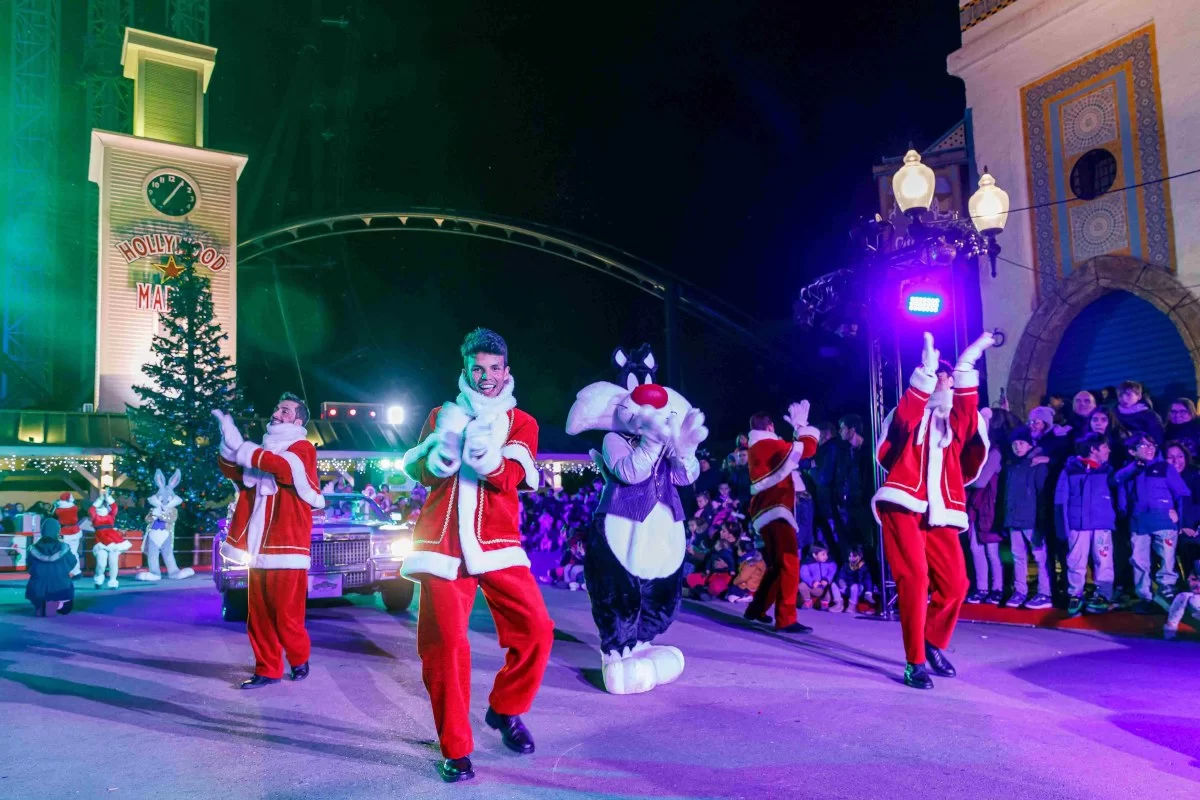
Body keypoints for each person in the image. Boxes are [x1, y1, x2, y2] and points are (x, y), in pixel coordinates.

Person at [399, 328, 552, 783]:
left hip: (498, 543)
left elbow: (515, 476)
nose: (486, 376)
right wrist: (436, 459)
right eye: (477, 368)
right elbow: (421, 472)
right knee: (444, 647)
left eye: (493, 368)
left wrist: (488, 459)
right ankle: (456, 748)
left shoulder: (521, 421)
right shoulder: (440, 415)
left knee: (537, 630)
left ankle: (505, 709)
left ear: (507, 371)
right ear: (465, 370)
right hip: (443, 546)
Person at [872, 331, 991, 690]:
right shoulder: (909, 411)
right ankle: (914, 662)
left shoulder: (957, 421)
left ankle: (932, 641)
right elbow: (905, 418)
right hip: (903, 504)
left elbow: (969, 418)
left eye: (948, 377)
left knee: (957, 583)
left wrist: (968, 364)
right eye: (938, 375)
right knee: (915, 579)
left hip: (940, 511)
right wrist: (925, 372)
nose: (944, 380)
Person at [214, 393, 324, 690]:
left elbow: (285, 469)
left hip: (287, 547)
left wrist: (245, 449)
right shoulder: (263, 450)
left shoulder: (302, 448)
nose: (277, 412)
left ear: (298, 420)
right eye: (277, 407)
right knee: (258, 616)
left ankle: (299, 658)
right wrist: (229, 443)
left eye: (284, 410)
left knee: (287, 615)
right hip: (258, 546)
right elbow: (235, 471)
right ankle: (267, 668)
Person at [743, 402, 820, 634]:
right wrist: (801, 426)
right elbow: (805, 450)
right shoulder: (767, 444)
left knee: (778, 565)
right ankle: (786, 618)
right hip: (774, 510)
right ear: (770, 427)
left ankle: (756, 609)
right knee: (789, 561)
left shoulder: (760, 445)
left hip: (768, 511)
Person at [1116, 433, 1190, 613]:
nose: (1150, 449)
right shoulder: (1129, 470)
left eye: (1152, 445)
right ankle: (1144, 596)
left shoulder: (1165, 467)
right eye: (1144, 446)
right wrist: (1125, 513)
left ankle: (1166, 590)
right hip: (1138, 522)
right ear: (1132, 451)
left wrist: (1179, 520)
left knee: (1167, 558)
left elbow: (1182, 494)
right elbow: (1118, 483)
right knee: (1139, 561)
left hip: (1163, 521)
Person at [1054, 433, 1118, 616]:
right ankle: (1075, 594)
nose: (1109, 450)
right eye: (1105, 447)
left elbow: (1118, 493)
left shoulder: (1108, 470)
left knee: (1103, 559)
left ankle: (1104, 594)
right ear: (1093, 449)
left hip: (1102, 523)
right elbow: (1060, 500)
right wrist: (1062, 527)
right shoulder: (1070, 470)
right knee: (1076, 559)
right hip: (1077, 524)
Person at [1002, 427, 1052, 609]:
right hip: (1014, 519)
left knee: (1040, 556)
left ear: (1030, 444)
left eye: (1022, 443)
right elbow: (1007, 494)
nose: (1018, 447)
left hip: (1031, 519)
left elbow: (1042, 495)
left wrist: (1041, 520)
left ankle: (1045, 592)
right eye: (1015, 443)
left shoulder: (1037, 466)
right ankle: (1020, 590)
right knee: (1018, 556)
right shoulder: (1011, 466)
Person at [964, 415, 1003, 605]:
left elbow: (980, 480)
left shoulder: (994, 452)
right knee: (975, 548)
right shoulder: (972, 450)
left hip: (989, 506)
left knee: (991, 550)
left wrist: (965, 478)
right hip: (973, 506)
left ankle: (998, 588)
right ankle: (982, 587)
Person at [25, 518, 77, 616]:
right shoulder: (63, 547)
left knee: (37, 592)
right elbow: (72, 562)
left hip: (37, 587)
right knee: (67, 608)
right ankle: (56, 604)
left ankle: (39, 604)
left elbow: (29, 565)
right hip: (60, 586)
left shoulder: (33, 548)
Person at [1167, 442, 1200, 574]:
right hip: (1171, 529)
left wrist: (1190, 526)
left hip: (1193, 528)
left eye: (1180, 456)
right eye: (1171, 457)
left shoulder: (1194, 478)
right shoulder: (1159, 480)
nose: (1176, 461)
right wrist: (1180, 527)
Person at [799, 543, 841, 611]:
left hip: (824, 588)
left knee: (831, 586)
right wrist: (812, 582)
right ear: (814, 555)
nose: (826, 557)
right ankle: (807, 601)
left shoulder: (830, 563)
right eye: (823, 554)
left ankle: (825, 602)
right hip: (813, 587)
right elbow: (804, 574)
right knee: (802, 585)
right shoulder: (807, 563)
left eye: (826, 554)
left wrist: (826, 580)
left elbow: (832, 572)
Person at [1164, 565, 1200, 640]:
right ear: (1188, 580)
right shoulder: (1185, 596)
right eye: (1194, 579)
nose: (1198, 585)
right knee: (1185, 597)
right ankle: (1170, 635)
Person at [835, 546, 875, 613]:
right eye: (850, 556)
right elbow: (840, 576)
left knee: (854, 587)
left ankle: (852, 606)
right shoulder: (846, 565)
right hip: (846, 587)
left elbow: (868, 580)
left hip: (858, 589)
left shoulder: (864, 568)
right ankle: (838, 604)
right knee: (834, 585)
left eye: (854, 556)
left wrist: (868, 592)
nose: (851, 558)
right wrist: (840, 581)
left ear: (860, 556)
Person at [52, 493, 83, 578]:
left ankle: (64, 572)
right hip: (75, 532)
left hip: (61, 533)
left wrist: (55, 505)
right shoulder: (74, 508)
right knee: (74, 552)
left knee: (61, 552)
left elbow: (51, 516)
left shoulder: (58, 510)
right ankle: (76, 572)